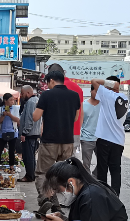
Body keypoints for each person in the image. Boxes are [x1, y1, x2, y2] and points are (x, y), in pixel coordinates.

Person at [33, 67, 82, 201]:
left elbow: (35, 117)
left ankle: (45, 198)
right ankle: (59, 202)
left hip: (50, 141)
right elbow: (76, 117)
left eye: (48, 82)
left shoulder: (46, 95)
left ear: (52, 81)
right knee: (63, 173)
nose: (47, 85)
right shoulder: (74, 95)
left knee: (43, 172)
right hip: (67, 141)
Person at [88, 77, 130, 193]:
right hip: (119, 141)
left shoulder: (108, 95)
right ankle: (115, 197)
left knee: (102, 170)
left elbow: (94, 81)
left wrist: (111, 84)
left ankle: (104, 195)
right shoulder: (125, 98)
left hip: (104, 139)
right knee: (116, 170)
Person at [46, 64, 85, 155]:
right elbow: (81, 112)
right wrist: (77, 129)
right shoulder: (78, 88)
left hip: (54, 132)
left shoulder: (52, 89)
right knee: (70, 163)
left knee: (53, 162)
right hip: (74, 131)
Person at [18, 85, 42, 182]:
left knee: (28, 156)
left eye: (23, 93)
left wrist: (24, 132)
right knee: (30, 155)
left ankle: (29, 176)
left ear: (28, 93)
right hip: (33, 132)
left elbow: (30, 119)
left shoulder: (31, 102)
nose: (21, 95)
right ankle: (31, 175)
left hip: (30, 134)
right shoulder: (35, 100)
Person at [0, 93, 19, 169]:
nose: (12, 102)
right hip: (2, 132)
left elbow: (17, 120)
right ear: (5, 101)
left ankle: (12, 167)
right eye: (10, 100)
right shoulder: (0, 109)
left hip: (13, 132)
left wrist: (10, 115)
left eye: (13, 100)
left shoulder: (15, 108)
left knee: (12, 151)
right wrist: (3, 115)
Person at [79, 89, 100, 169]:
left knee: (103, 162)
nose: (97, 94)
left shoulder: (103, 106)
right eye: (96, 91)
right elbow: (80, 121)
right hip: (86, 138)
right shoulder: (83, 105)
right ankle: (87, 181)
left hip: (100, 138)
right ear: (91, 91)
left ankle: (94, 177)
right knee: (86, 164)